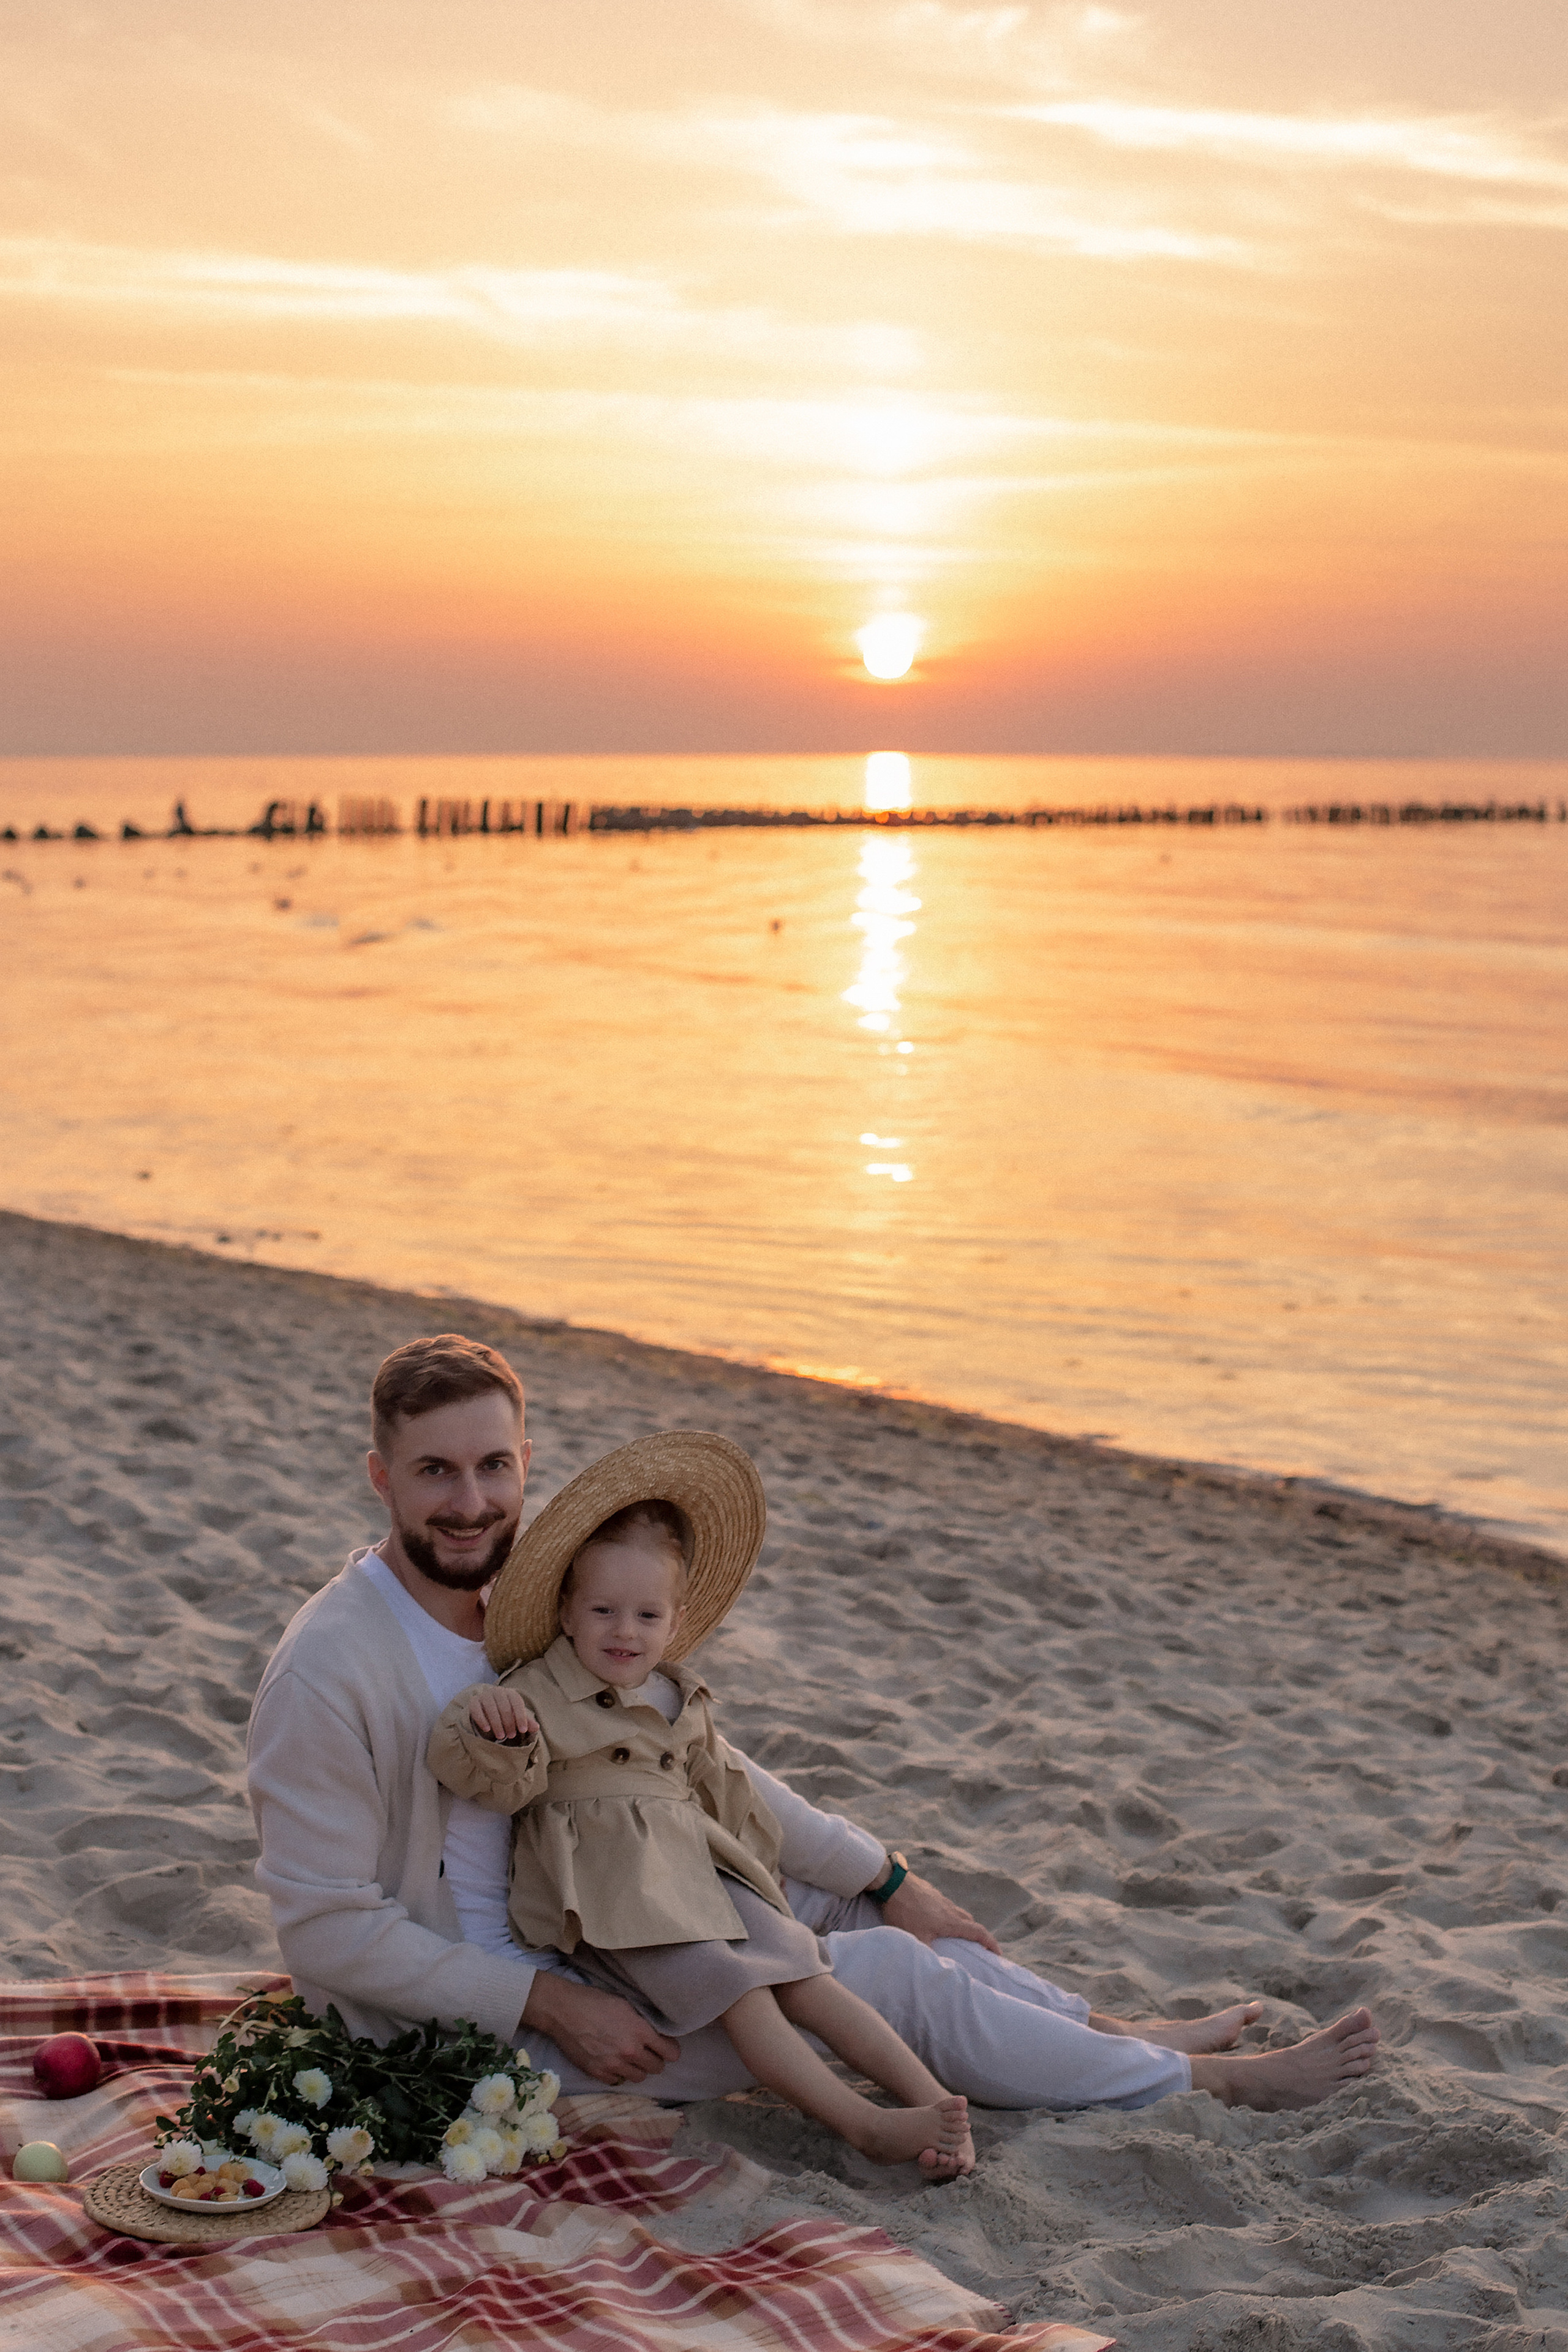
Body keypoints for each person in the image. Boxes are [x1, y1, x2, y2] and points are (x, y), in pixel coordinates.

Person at [246, 1334, 1380, 2114]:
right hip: (485, 2022)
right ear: (381, 1479)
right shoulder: (334, 1670)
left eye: (494, 1466)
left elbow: (696, 1764)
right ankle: (1203, 2087)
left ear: (526, 1464)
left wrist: (889, 1876)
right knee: (884, 1977)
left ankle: (1111, 2032)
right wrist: (553, 2005)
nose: (470, 1500)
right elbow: (327, 1933)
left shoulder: (529, 1605)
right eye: (434, 1471)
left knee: (858, 1909)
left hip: (609, 1908)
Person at [429, 1446, 977, 2176]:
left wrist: (768, 1885)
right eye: (603, 1611)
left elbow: (727, 1798)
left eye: (646, 1615)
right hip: (618, 1895)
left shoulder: (674, 1697)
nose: (625, 1631)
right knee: (748, 1999)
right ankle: (865, 2124)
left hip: (702, 1874)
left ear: (675, 1620)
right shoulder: (532, 1692)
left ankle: (934, 2103)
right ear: (565, 1611)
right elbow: (490, 1779)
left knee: (808, 1979)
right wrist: (486, 1720)